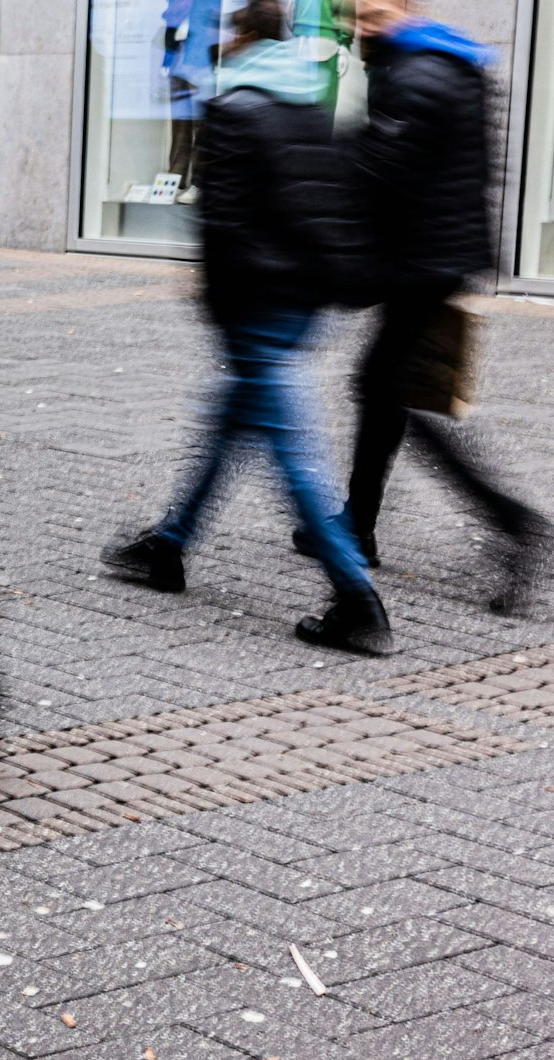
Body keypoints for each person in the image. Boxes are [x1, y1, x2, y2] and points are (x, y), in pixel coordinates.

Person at [103, 0, 390, 655]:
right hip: (300, 299)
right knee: (230, 419)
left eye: (230, 32)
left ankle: (356, 597)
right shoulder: (306, 105)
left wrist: (215, 300)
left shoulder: (232, 108)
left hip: (255, 300)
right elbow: (328, 206)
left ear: (241, 36)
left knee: (290, 450)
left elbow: (223, 222)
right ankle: (168, 545)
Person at [303, 0, 548, 614]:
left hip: (420, 263)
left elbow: (380, 177)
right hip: (437, 256)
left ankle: (515, 524)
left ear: (406, 9)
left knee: (388, 391)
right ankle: (357, 523)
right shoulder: (456, 61)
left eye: (375, 14)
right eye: (356, 16)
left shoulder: (415, 74)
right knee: (382, 389)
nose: (363, 26)